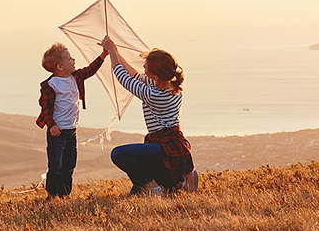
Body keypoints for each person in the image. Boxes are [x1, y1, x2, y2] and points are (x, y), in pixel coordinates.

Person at [103, 36, 198, 195]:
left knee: (118, 154)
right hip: (170, 145)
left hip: (165, 146)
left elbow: (124, 79)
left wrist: (112, 51)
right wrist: (117, 53)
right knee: (136, 192)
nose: (143, 69)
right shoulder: (170, 86)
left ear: (155, 76)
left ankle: (154, 186)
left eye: (146, 67)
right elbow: (135, 76)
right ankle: (181, 182)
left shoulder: (154, 95)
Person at [34, 43, 107, 198]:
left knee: (69, 164)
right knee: (56, 166)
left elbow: (90, 70)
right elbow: (45, 108)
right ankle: (53, 195)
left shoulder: (75, 77)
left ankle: (65, 193)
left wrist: (104, 54)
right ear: (60, 66)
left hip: (71, 131)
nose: (73, 60)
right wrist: (52, 125)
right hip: (57, 133)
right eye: (69, 58)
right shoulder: (50, 85)